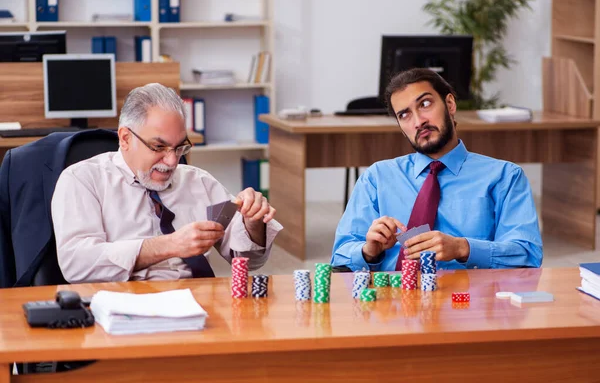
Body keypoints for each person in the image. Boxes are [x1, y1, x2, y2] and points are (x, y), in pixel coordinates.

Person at [52, 83, 282, 283]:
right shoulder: (82, 180)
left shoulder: (198, 181)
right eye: (158, 147)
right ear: (125, 138)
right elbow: (76, 263)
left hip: (197, 303)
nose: (172, 161)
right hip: (124, 304)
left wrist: (252, 225)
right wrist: (168, 245)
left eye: (180, 147)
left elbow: (248, 261)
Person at [331, 68, 542, 271]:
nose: (418, 121)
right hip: (392, 301)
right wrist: (369, 251)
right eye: (404, 115)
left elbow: (527, 254)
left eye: (425, 104)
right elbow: (340, 256)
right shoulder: (377, 178)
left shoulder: (505, 177)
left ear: (450, 104)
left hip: (471, 301)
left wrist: (463, 248)